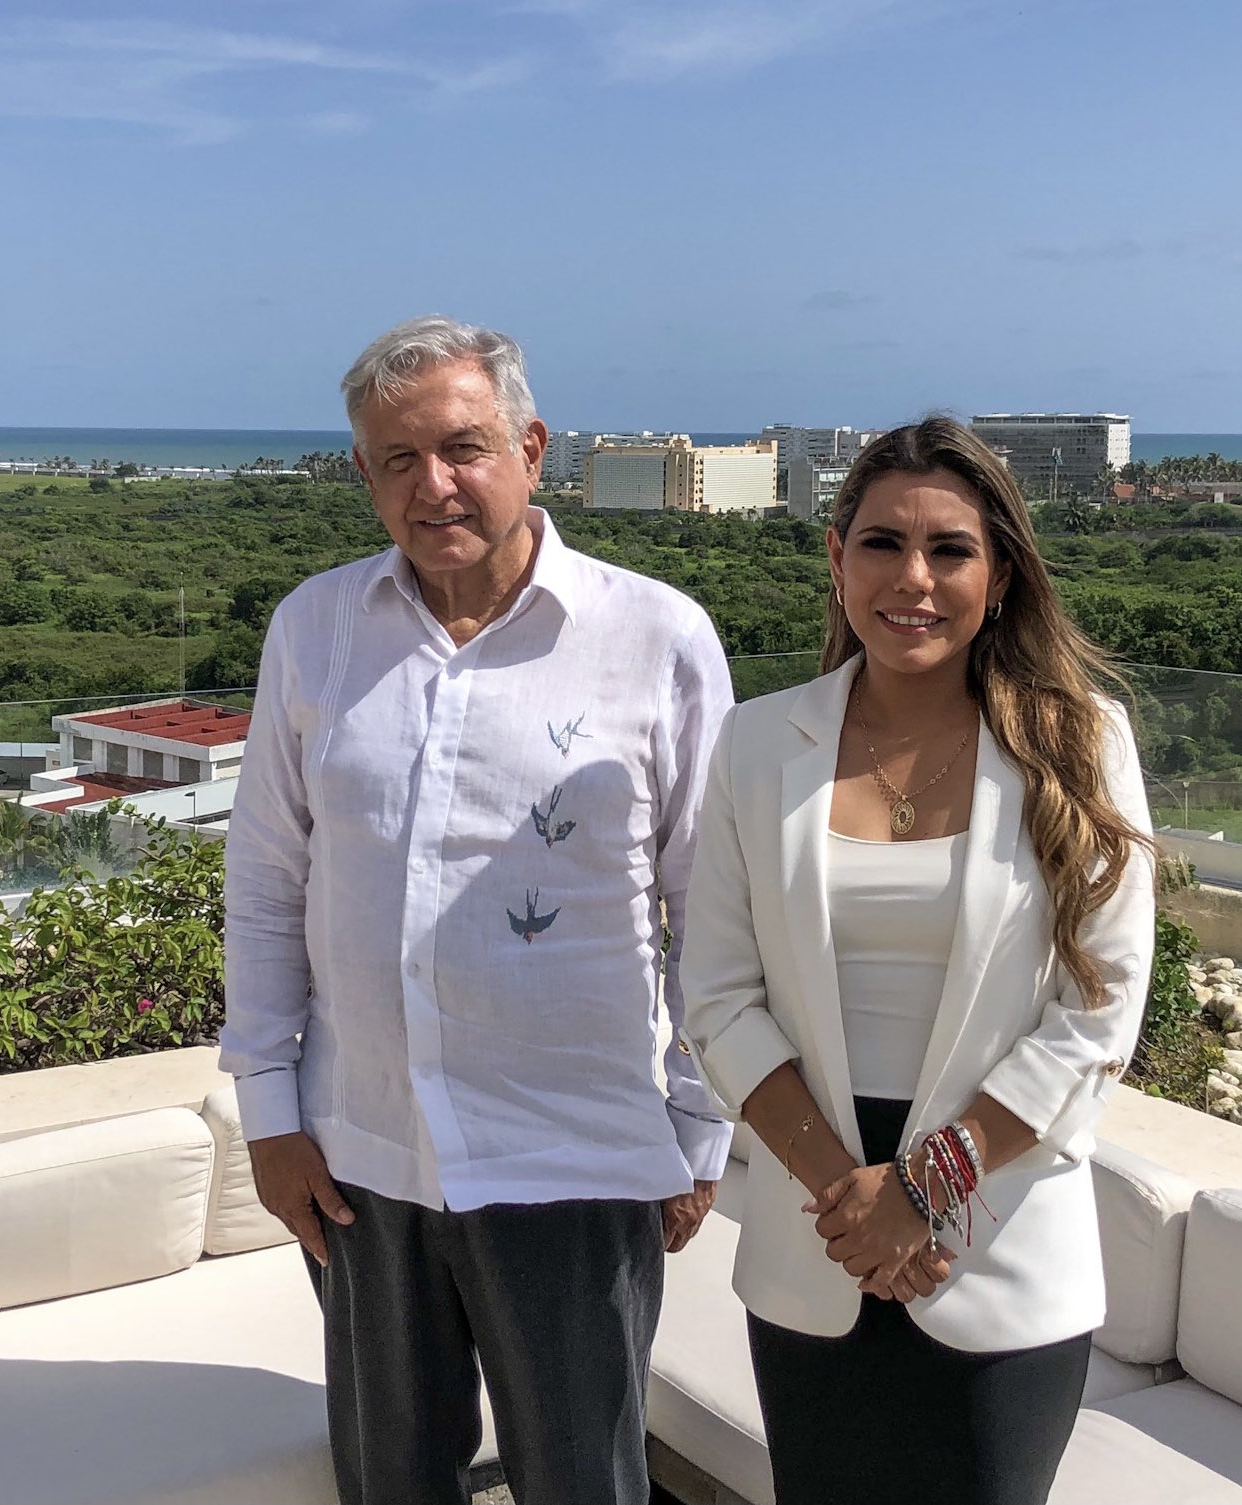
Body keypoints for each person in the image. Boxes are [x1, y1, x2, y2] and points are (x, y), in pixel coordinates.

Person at [220, 315, 734, 1505]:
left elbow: (713, 902)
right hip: (361, 1151)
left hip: (577, 1156)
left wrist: (696, 1127)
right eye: (396, 459)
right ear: (362, 473)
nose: (432, 484)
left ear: (532, 447)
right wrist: (266, 1111)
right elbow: (265, 882)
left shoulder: (654, 636)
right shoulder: (315, 629)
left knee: (584, 1479)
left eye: (462, 447)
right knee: (391, 1478)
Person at [682, 416, 1155, 1505]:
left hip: (998, 1235)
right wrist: (855, 1201)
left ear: (997, 578)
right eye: (882, 542)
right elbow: (714, 993)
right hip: (820, 1234)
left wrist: (923, 1188)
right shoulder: (758, 745)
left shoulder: (1078, 744)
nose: (914, 577)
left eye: (949, 549)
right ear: (835, 555)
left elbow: (1098, 1010)